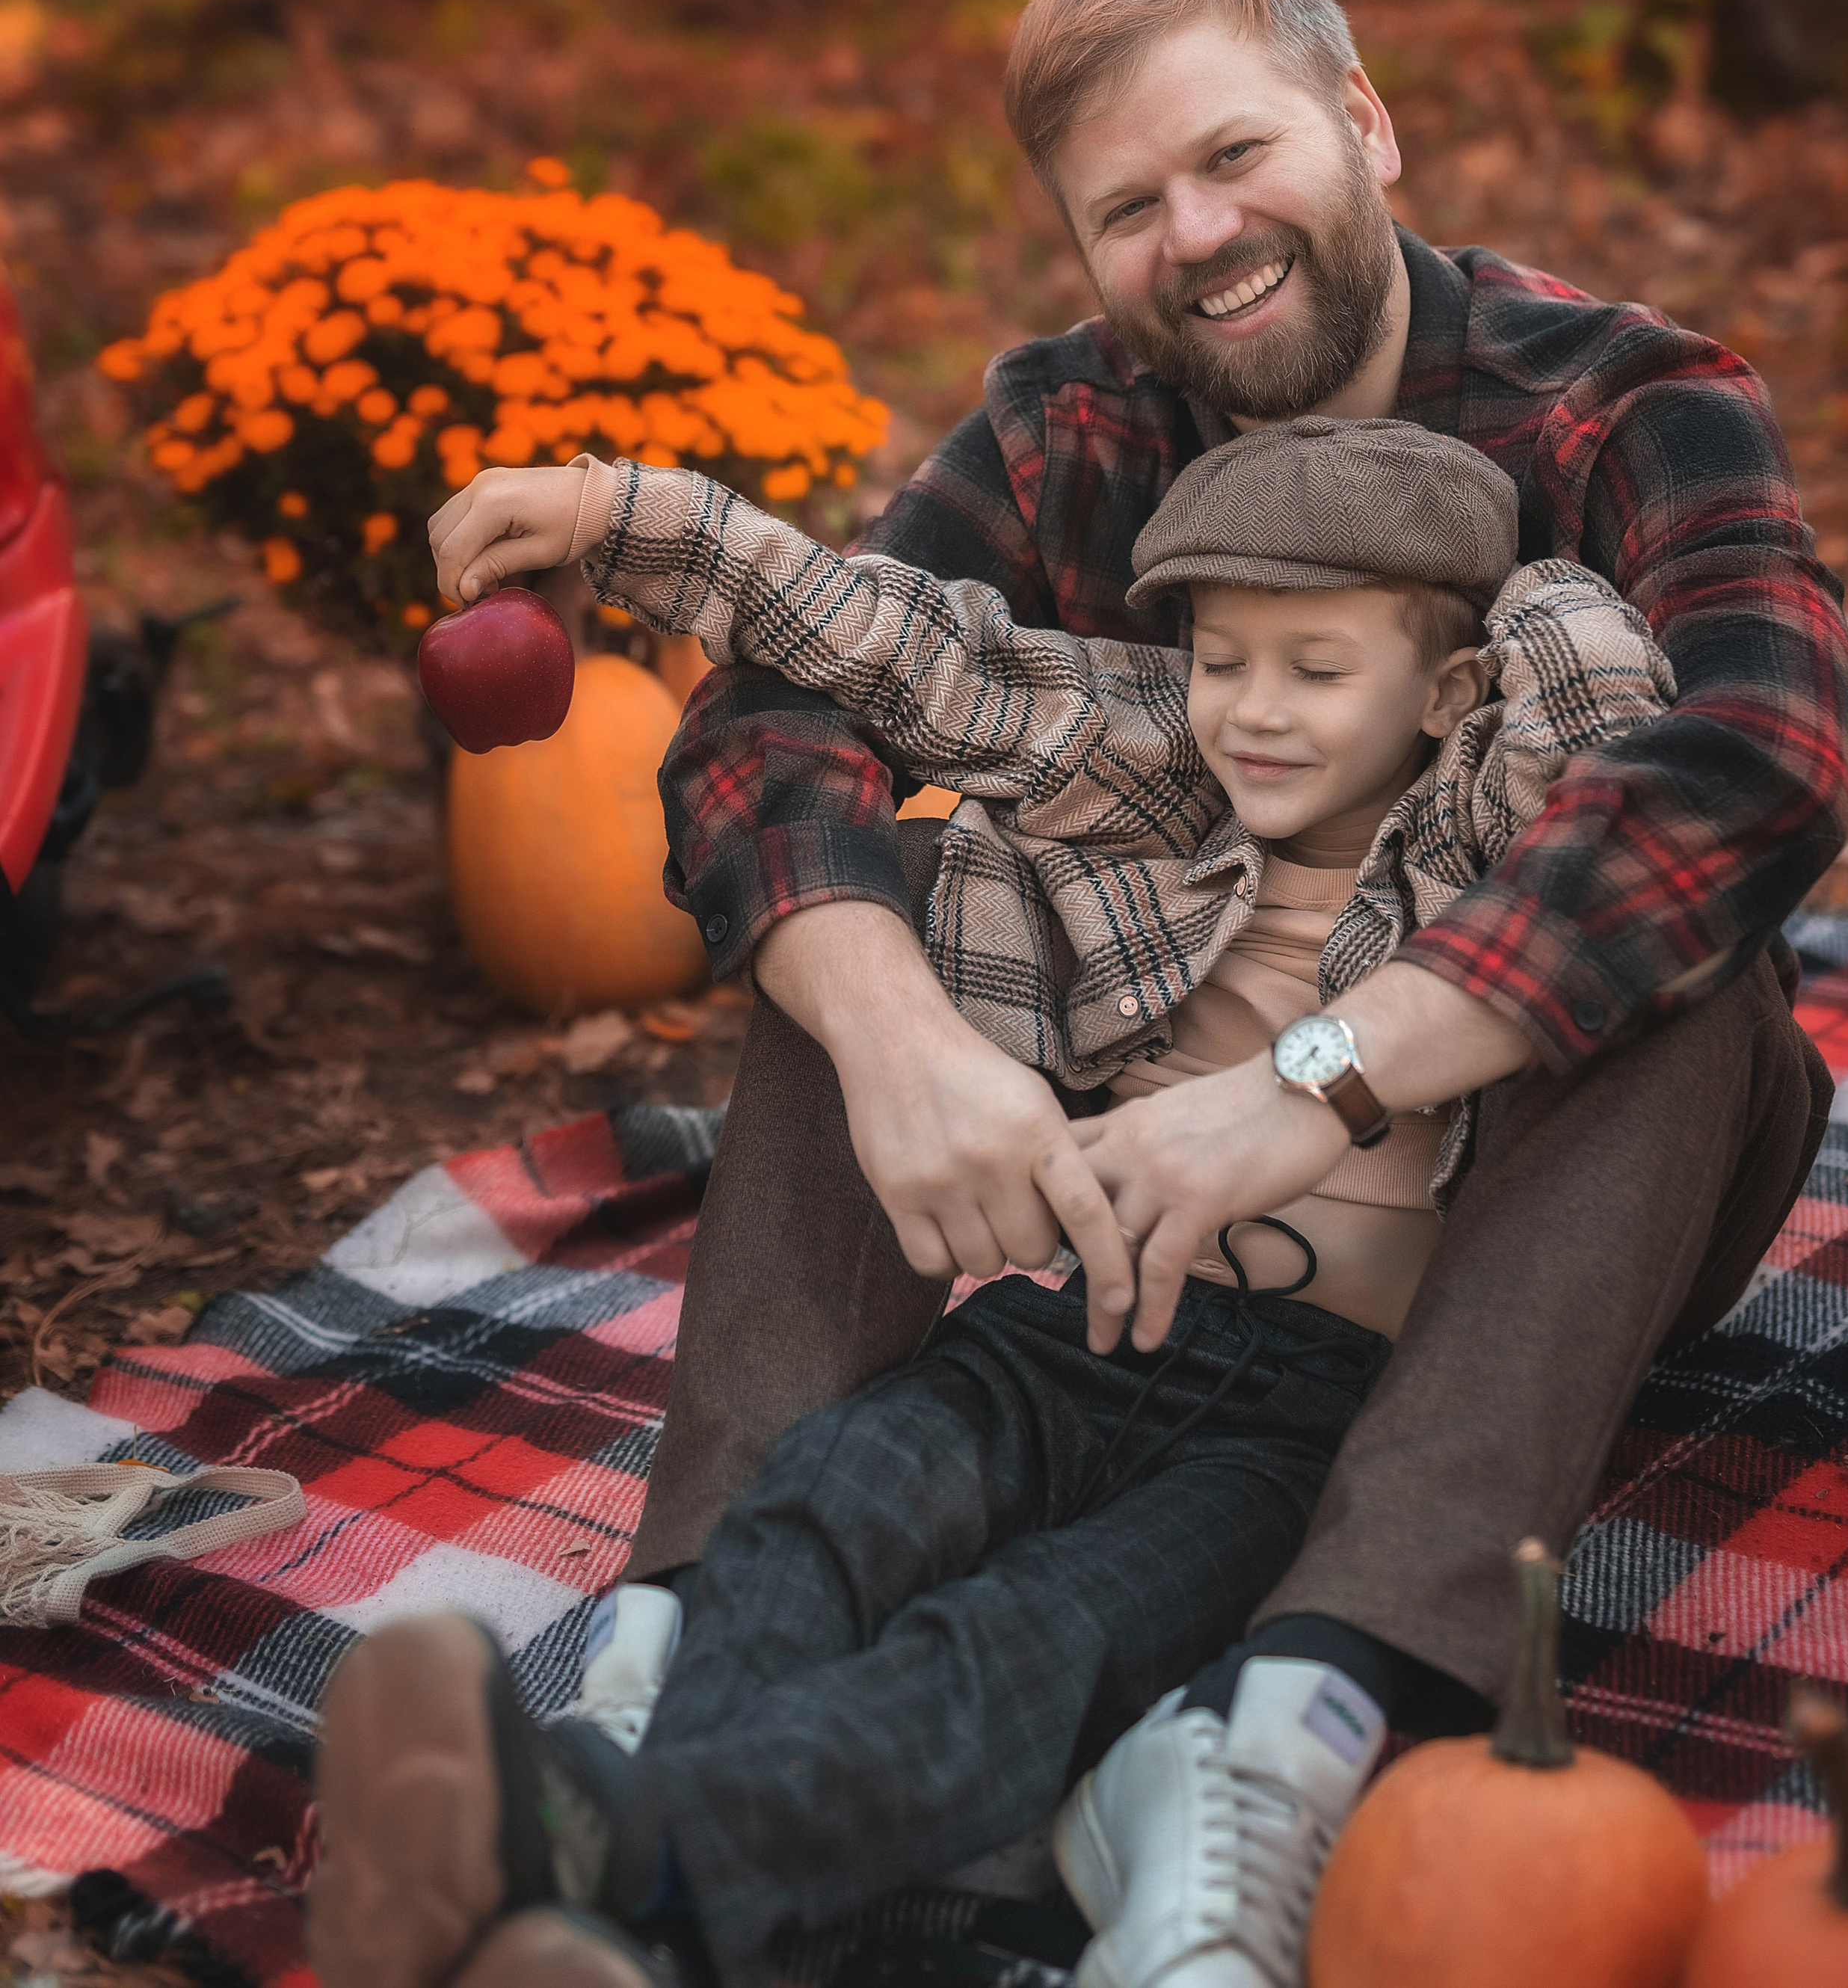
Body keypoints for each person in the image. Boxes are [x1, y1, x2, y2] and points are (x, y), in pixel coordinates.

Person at [309, 415, 1684, 1988]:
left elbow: (1612, 716)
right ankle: (626, 1875)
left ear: (1442, 691)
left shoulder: (1489, 826)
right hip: (1078, 1327)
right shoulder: (1158, 758)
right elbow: (894, 642)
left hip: (1304, 1415)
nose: (1254, 711)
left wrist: (1511, 581)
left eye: (1314, 669)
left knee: (1033, 1633)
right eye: (1223, 656)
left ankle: (611, 1871)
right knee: (829, 1494)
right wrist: (615, 514)